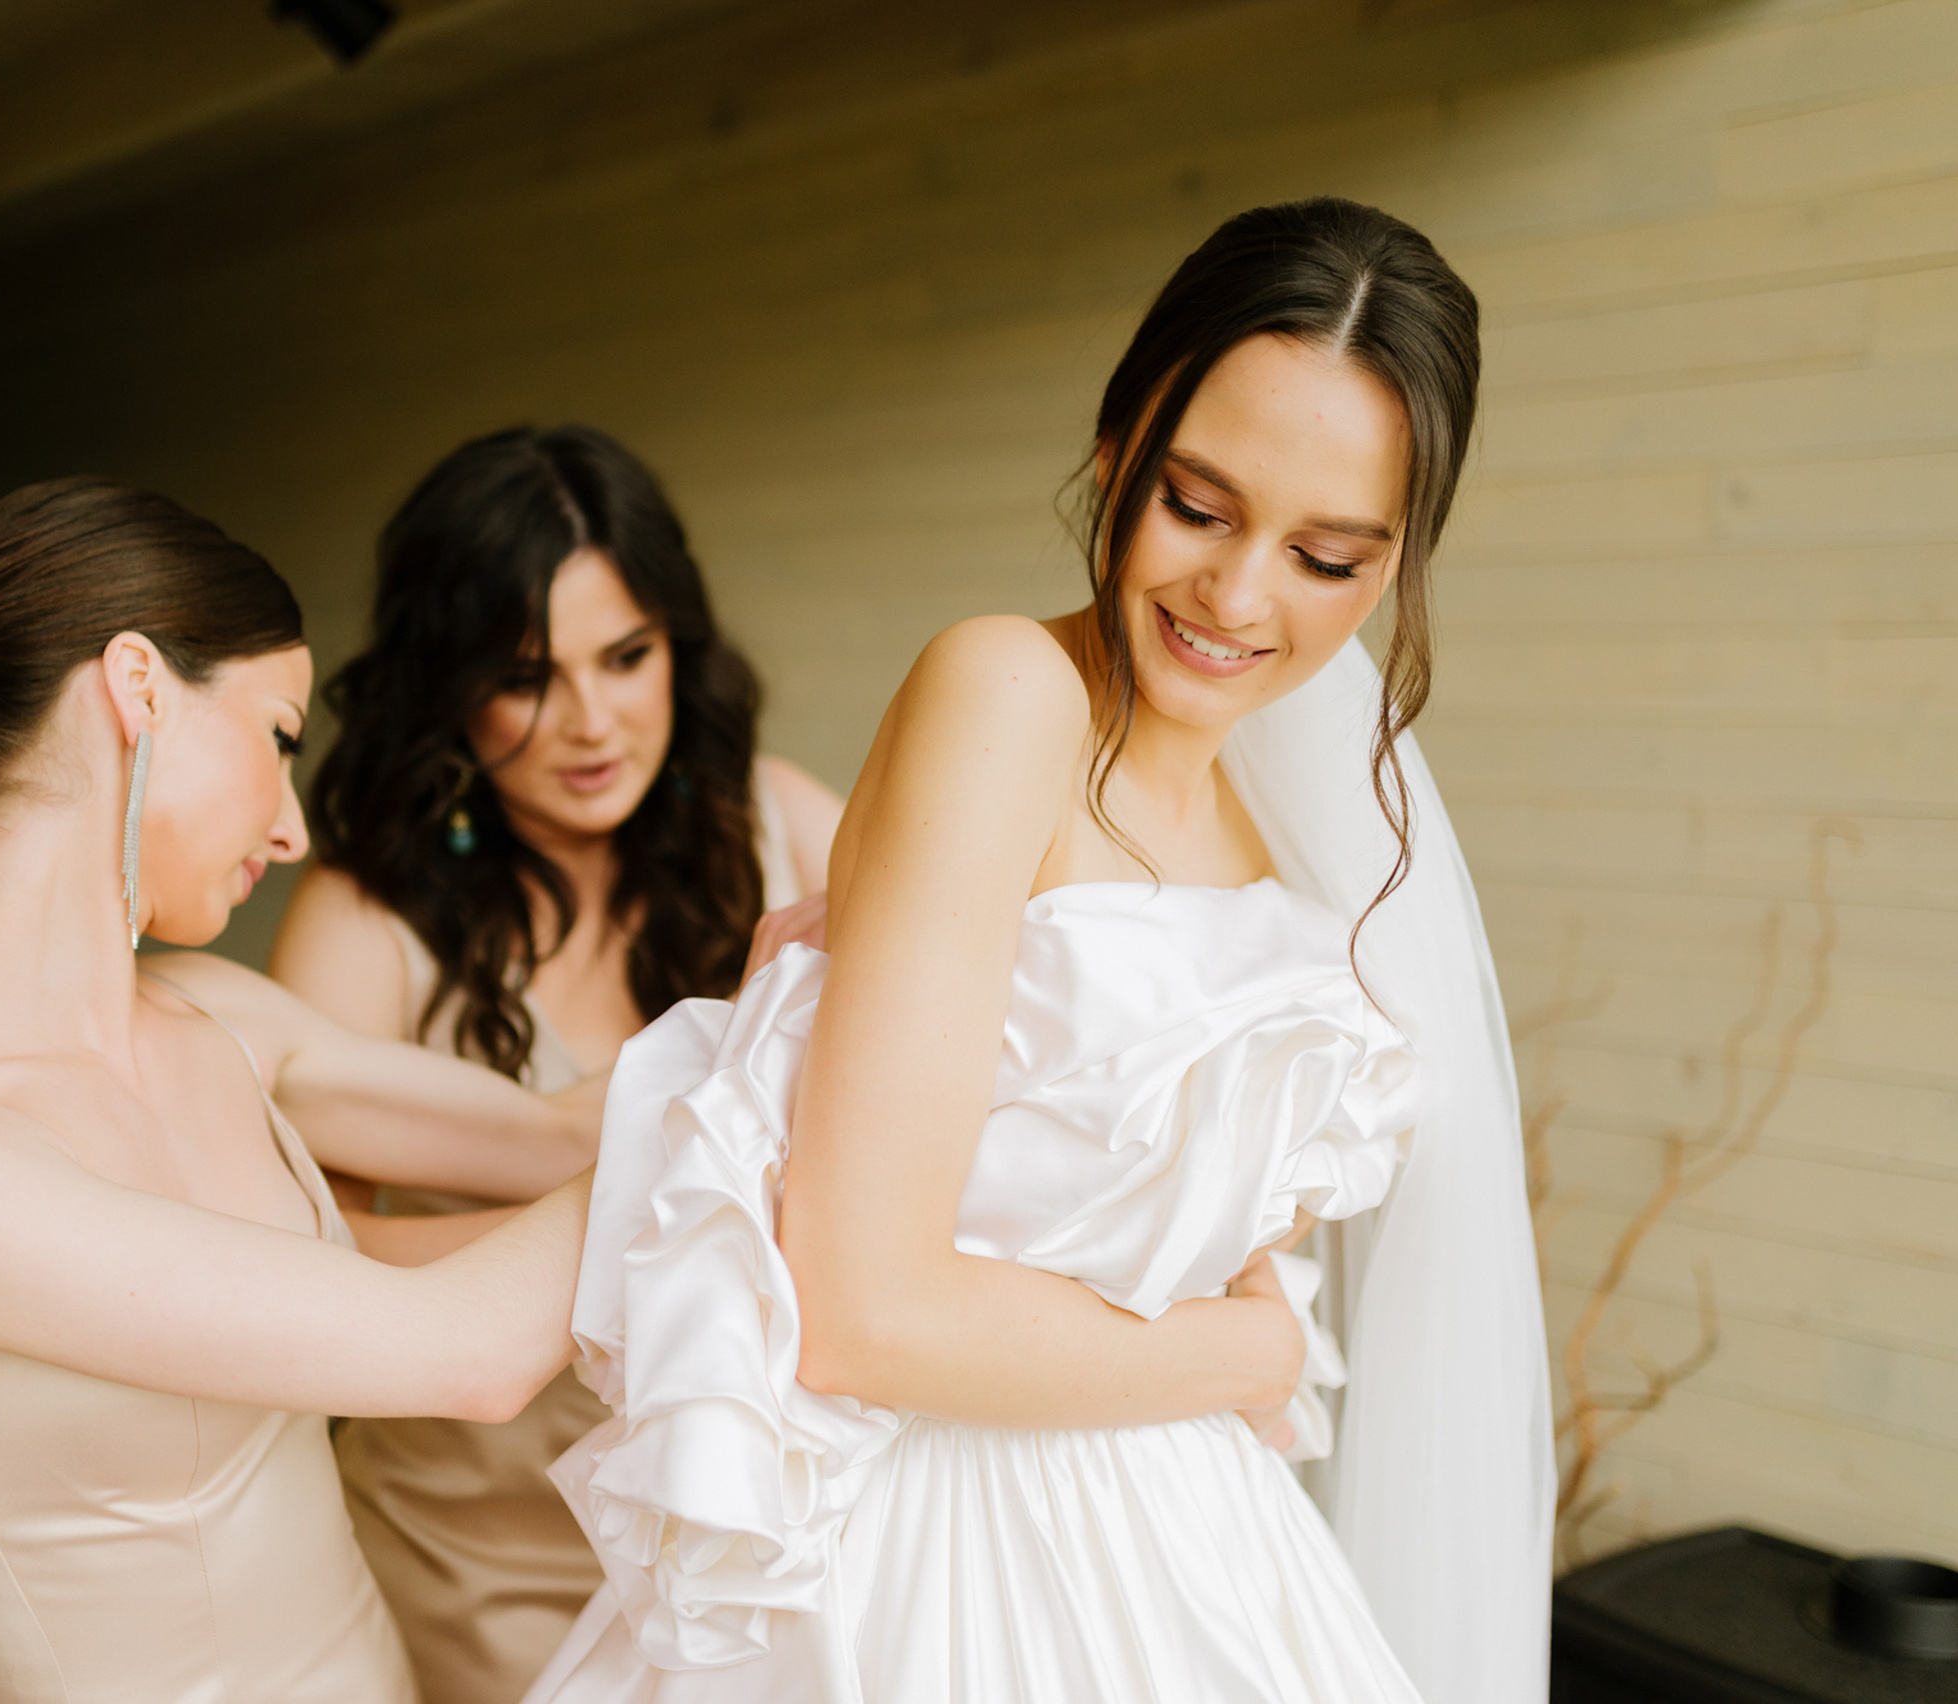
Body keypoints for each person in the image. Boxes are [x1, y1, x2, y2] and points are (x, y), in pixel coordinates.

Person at [529, 198, 1554, 1704]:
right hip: (942, 1573)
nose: (1238, 597)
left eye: (1329, 557)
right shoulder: (1006, 693)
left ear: (1395, 565)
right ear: (1116, 443)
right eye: (1198, 507)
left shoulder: (1304, 826)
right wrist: (1248, 1359)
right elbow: (862, 1300)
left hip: (1206, 1571)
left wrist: (1241, 1327)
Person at [0, 478, 604, 1704]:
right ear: (139, 687)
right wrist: (737, 1112)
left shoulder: (223, 1012)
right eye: (277, 738)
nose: (295, 830)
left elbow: (559, 1137)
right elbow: (465, 1352)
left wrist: (827, 991)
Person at [268, 425, 840, 1704]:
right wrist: (607, 1227)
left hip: (762, 1527)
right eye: (527, 676)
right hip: (481, 1547)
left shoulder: (788, 826)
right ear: (448, 686)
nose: (591, 723)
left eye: (626, 657)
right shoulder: (370, 917)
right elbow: (296, 1258)